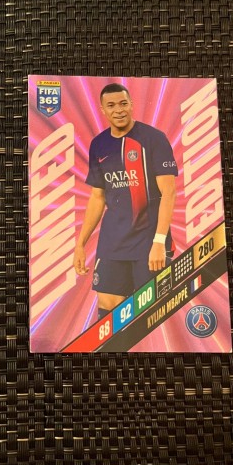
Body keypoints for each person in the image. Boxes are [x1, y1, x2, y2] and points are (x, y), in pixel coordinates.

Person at [73, 83, 177, 321]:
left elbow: (169, 192)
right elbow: (97, 197)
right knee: (108, 311)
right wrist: (80, 244)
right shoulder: (98, 144)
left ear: (131, 105)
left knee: (148, 313)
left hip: (148, 242)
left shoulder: (153, 138)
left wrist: (159, 242)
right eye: (111, 105)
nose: (118, 110)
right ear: (103, 110)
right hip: (112, 243)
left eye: (123, 103)